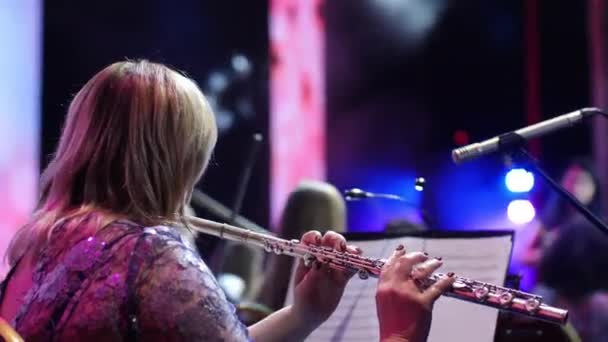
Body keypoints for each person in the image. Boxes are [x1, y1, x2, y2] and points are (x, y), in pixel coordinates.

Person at [0, 60, 454, 341]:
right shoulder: (152, 253)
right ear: (178, 161)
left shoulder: (35, 247)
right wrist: (400, 330)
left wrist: (303, 314)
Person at [523, 160, 608, 341]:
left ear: (594, 185)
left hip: (593, 291)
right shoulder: (549, 222)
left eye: (583, 181)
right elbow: (525, 256)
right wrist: (552, 250)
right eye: (571, 180)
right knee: (538, 300)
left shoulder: (600, 222)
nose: (576, 186)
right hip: (556, 289)